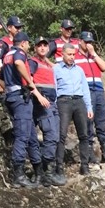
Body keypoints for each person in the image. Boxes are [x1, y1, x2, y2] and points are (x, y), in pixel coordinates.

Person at [2, 31, 49, 187]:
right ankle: (18, 176)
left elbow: (1, 76)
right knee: (22, 136)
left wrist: (8, 89)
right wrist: (30, 82)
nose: (28, 46)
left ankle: (39, 173)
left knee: (31, 137)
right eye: (28, 43)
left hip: (13, 96)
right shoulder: (19, 53)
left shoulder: (7, 54)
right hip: (21, 98)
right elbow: (19, 64)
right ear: (23, 43)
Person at [76, 30, 105, 164]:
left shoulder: (94, 57)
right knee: (88, 122)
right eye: (86, 42)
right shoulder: (75, 57)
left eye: (90, 42)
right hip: (86, 91)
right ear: (80, 42)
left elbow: (104, 67)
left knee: (101, 122)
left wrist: (93, 54)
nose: (88, 44)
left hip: (99, 91)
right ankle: (89, 153)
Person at [54, 43, 93, 176]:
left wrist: (89, 107)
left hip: (79, 101)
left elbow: (85, 89)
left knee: (84, 135)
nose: (72, 57)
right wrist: (54, 105)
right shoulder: (56, 69)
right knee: (61, 135)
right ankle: (59, 166)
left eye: (73, 55)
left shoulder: (79, 70)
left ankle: (85, 165)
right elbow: (54, 88)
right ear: (62, 54)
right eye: (69, 54)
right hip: (63, 101)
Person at [30, 37, 65, 186]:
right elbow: (28, 80)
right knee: (50, 136)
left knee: (56, 137)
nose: (43, 48)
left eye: (45, 45)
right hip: (42, 102)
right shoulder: (33, 62)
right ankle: (45, 171)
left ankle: (46, 170)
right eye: (40, 46)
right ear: (35, 48)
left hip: (53, 102)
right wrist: (38, 96)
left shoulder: (50, 65)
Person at [0, 14, 23, 95]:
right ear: (9, 28)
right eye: (16, 27)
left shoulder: (21, 44)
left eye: (20, 27)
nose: (19, 30)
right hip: (6, 79)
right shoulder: (3, 43)